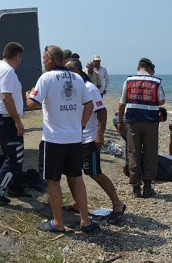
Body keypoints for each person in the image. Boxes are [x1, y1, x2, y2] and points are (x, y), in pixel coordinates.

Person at [26, 45, 98, 233]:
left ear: (50, 59)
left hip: (54, 140)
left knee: (53, 180)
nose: (43, 61)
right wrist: (80, 126)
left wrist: (28, 95)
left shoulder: (46, 78)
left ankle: (58, 223)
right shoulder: (77, 78)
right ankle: (85, 220)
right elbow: (89, 106)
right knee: (77, 178)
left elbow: (32, 105)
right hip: (74, 139)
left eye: (44, 58)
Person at [62, 59, 127, 224]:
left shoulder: (89, 88)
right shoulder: (74, 87)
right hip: (74, 138)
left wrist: (100, 135)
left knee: (93, 172)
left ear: (76, 71)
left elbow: (102, 112)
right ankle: (77, 203)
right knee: (72, 172)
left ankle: (117, 204)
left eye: (68, 71)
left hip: (89, 138)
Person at [0, 42, 30, 204]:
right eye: (21, 57)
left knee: (15, 156)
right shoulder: (7, 71)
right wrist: (17, 121)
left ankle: (16, 187)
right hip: (6, 120)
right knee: (13, 158)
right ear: (17, 56)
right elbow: (6, 97)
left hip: (2, 118)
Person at [117, 58, 165, 198]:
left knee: (133, 152)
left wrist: (120, 121)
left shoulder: (129, 80)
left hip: (133, 120)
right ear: (149, 68)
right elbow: (162, 100)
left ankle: (136, 185)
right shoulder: (156, 81)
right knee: (150, 152)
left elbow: (122, 103)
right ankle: (148, 186)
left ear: (138, 67)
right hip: (150, 121)